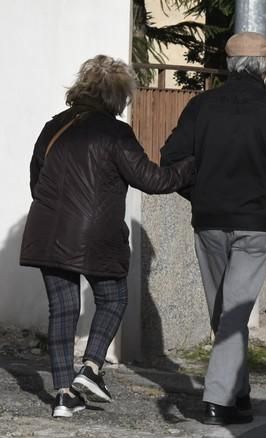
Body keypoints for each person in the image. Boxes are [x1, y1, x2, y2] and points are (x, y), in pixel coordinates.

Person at [19, 55, 195, 418]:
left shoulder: (53, 127)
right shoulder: (115, 133)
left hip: (47, 232)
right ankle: (91, 367)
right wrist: (193, 165)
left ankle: (64, 396)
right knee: (113, 299)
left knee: (63, 310)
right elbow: (152, 180)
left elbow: (37, 179)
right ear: (117, 96)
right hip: (97, 236)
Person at [160, 32, 266, 426]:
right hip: (255, 226)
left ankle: (236, 394)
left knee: (224, 312)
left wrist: (198, 193)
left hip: (208, 220)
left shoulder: (201, 107)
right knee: (233, 312)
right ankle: (219, 399)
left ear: (228, 65)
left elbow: (171, 158)